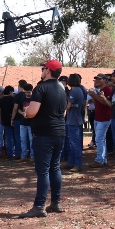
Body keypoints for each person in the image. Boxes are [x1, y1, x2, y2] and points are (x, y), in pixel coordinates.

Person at [19, 59, 68, 218]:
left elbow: (32, 112)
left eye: (43, 68)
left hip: (44, 134)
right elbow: (64, 112)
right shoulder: (62, 88)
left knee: (43, 171)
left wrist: (26, 111)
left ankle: (39, 206)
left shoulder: (41, 88)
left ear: (48, 71)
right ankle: (56, 203)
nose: (42, 70)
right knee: (55, 168)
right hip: (59, 132)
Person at [88, 75, 112, 168]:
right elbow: (97, 102)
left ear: (105, 80)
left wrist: (94, 95)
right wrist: (93, 96)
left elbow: (106, 104)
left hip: (104, 118)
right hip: (97, 117)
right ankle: (103, 159)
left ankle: (100, 160)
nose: (97, 80)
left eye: (99, 79)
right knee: (101, 139)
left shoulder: (108, 90)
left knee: (99, 139)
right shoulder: (98, 90)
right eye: (96, 79)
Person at [65, 74, 86, 172]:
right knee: (73, 143)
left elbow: (68, 106)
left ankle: (77, 164)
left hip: (73, 120)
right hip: (76, 119)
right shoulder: (80, 90)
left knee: (75, 144)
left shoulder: (73, 91)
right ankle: (71, 162)